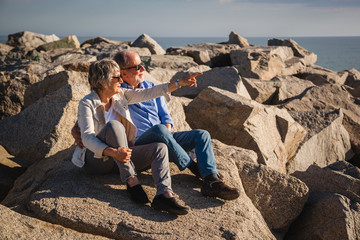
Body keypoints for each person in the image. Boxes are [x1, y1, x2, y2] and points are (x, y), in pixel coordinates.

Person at [74, 50, 239, 201]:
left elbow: (160, 109)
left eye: (143, 64)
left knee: (201, 135)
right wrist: (77, 128)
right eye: (137, 67)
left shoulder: (139, 91)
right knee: (155, 131)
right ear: (120, 74)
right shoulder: (113, 92)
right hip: (136, 143)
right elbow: (91, 118)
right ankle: (191, 165)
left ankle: (211, 180)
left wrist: (179, 83)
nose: (143, 69)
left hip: (163, 137)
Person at [72, 59, 200, 215]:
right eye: (116, 77)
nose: (121, 80)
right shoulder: (87, 103)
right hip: (99, 161)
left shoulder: (121, 95)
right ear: (103, 81)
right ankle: (132, 181)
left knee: (160, 148)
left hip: (123, 156)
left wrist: (179, 83)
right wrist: (113, 153)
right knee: (114, 126)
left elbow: (150, 92)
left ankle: (164, 195)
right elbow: (86, 138)